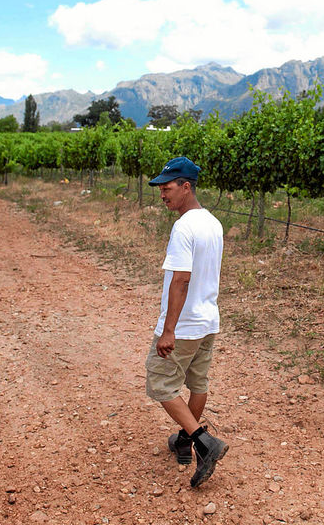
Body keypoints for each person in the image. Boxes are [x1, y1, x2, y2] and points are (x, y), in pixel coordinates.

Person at [144, 156, 228, 488]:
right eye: (161, 189)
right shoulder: (213, 223)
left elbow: (181, 280)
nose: (163, 195)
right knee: (197, 383)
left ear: (186, 187)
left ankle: (205, 443)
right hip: (208, 319)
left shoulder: (184, 226)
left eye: (167, 188)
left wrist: (169, 330)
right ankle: (184, 441)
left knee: (160, 384)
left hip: (185, 324)